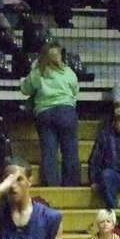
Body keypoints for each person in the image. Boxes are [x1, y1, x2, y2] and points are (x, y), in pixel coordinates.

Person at [20, 41, 80, 187]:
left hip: (45, 113)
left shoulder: (38, 72)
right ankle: (71, 185)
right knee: (70, 150)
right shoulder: (67, 72)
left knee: (49, 152)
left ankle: (52, 185)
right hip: (66, 111)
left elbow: (24, 89)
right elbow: (75, 89)